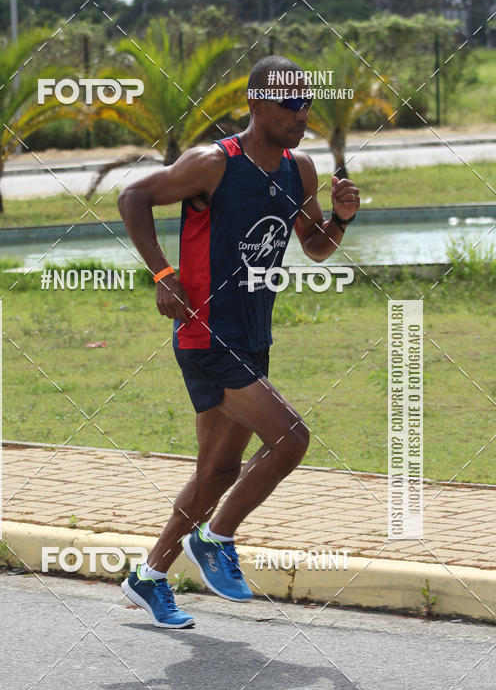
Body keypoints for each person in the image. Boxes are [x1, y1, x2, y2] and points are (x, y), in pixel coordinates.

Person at [117, 55, 360, 628]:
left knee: (217, 472)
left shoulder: (298, 170)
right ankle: (218, 536)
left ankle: (148, 576)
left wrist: (342, 220)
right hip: (206, 334)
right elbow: (133, 196)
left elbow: (315, 246)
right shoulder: (212, 164)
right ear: (255, 104)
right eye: (290, 103)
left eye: (308, 102)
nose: (303, 114)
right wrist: (161, 274)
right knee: (291, 439)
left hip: (251, 335)